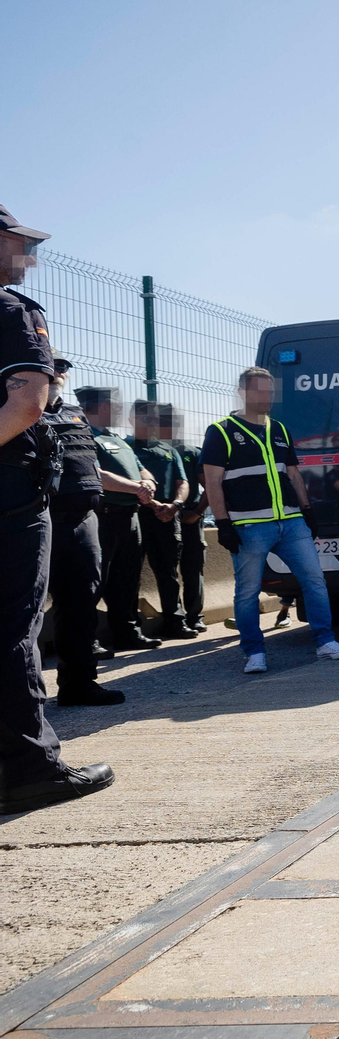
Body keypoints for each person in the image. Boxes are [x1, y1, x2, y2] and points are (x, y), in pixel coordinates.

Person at [0, 202, 115, 813]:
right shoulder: (12, 311)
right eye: (19, 243)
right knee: (14, 627)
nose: (30, 256)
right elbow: (25, 405)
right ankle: (28, 768)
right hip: (10, 493)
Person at [201, 366, 339, 673]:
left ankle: (325, 641)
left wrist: (307, 511)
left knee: (314, 580)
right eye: (259, 390)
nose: (267, 396)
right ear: (243, 392)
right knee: (247, 592)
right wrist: (223, 523)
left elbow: (294, 474)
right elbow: (212, 481)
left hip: (292, 523)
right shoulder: (221, 431)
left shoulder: (280, 429)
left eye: (270, 391)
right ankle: (254, 652)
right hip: (249, 526)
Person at [42, 355, 124, 704]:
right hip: (39, 520)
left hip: (84, 522)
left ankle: (78, 685)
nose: (59, 372)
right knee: (25, 613)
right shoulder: (14, 409)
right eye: (52, 365)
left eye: (63, 367)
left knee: (81, 605)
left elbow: (94, 466)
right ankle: (23, 698)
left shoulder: (76, 413)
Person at [78, 386, 162, 651]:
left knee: (128, 579)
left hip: (130, 517)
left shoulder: (117, 438)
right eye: (116, 404)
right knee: (93, 580)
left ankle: (127, 632)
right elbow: (96, 474)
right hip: (104, 516)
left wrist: (148, 483)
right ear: (104, 406)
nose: (120, 409)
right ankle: (87, 640)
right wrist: (137, 488)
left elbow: (141, 468)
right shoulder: (84, 435)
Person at [129, 400, 195, 639]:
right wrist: (152, 503)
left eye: (156, 419)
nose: (152, 424)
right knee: (129, 573)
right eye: (145, 418)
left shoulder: (170, 450)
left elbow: (183, 482)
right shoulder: (125, 448)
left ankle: (175, 622)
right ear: (132, 420)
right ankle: (130, 628)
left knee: (169, 572)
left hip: (168, 517)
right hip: (135, 517)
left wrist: (175, 505)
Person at [173, 411, 209, 632]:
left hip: (190, 518)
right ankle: (175, 619)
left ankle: (195, 616)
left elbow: (210, 486)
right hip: (161, 518)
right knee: (167, 572)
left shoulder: (192, 453)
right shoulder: (149, 450)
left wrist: (197, 511)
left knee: (193, 569)